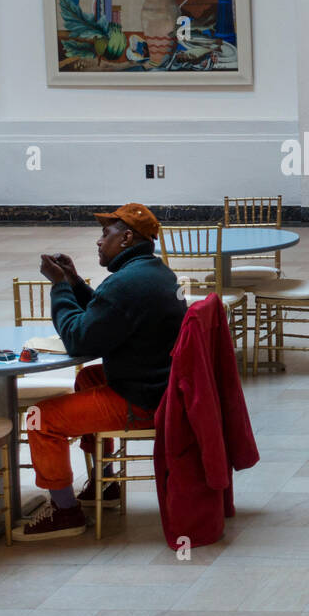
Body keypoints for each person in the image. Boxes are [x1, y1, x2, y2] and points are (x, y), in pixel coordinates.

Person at [15, 203, 187, 540]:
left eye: (104, 234)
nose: (98, 241)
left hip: (143, 400)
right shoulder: (151, 273)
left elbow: (80, 340)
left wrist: (60, 287)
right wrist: (76, 281)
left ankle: (65, 513)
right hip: (159, 385)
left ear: (125, 238)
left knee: (39, 417)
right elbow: (107, 317)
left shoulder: (126, 283)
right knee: (87, 378)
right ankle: (103, 484)